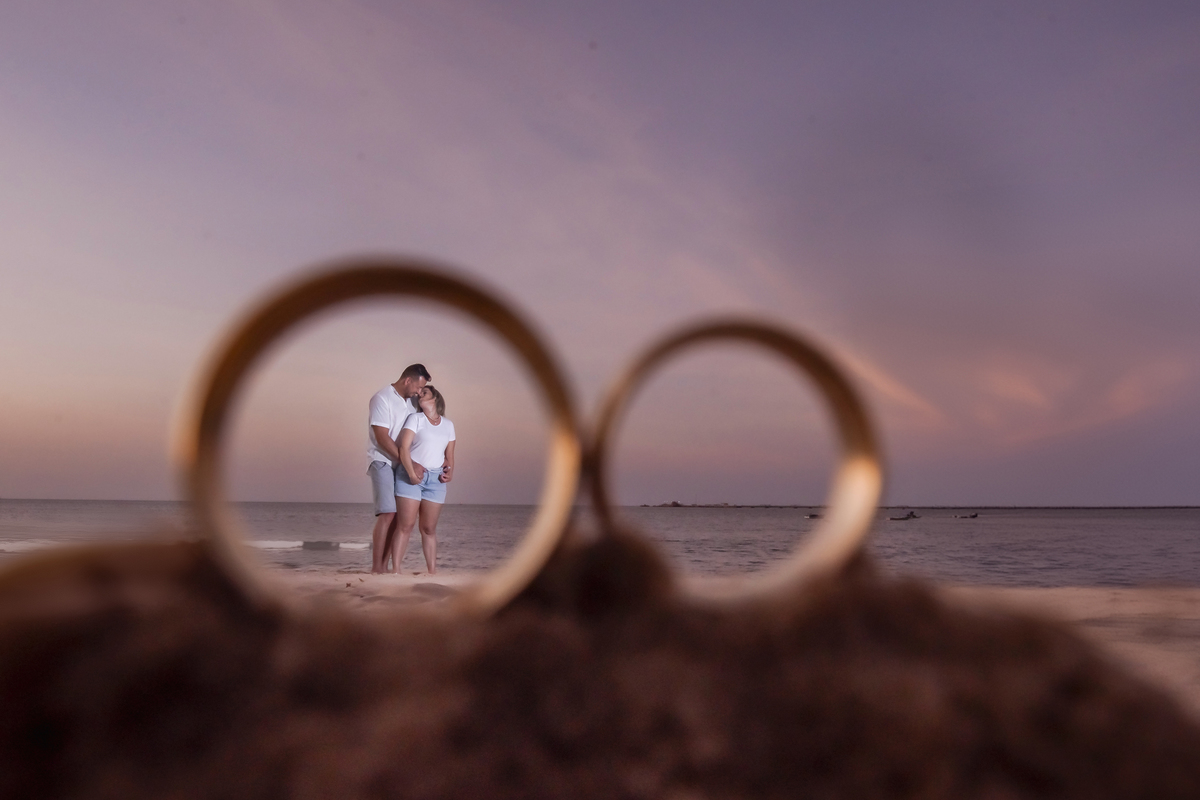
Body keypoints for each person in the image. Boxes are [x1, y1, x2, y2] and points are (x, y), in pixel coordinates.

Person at [366, 364, 431, 573]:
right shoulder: (382, 398)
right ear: (407, 380)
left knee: (398, 518)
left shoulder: (413, 403)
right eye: (418, 387)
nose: (419, 392)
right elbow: (382, 438)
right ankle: (377, 568)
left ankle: (385, 566)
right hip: (382, 460)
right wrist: (408, 462)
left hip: (402, 465)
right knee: (387, 513)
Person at [393, 385, 456, 574]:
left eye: (425, 392)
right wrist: (412, 474)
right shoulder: (415, 419)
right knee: (406, 526)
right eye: (419, 393)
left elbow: (450, 455)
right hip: (410, 476)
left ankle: (432, 572)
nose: (420, 394)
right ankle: (396, 571)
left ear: (435, 398)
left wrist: (450, 472)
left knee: (429, 528)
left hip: (436, 481)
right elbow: (403, 449)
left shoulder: (448, 425)